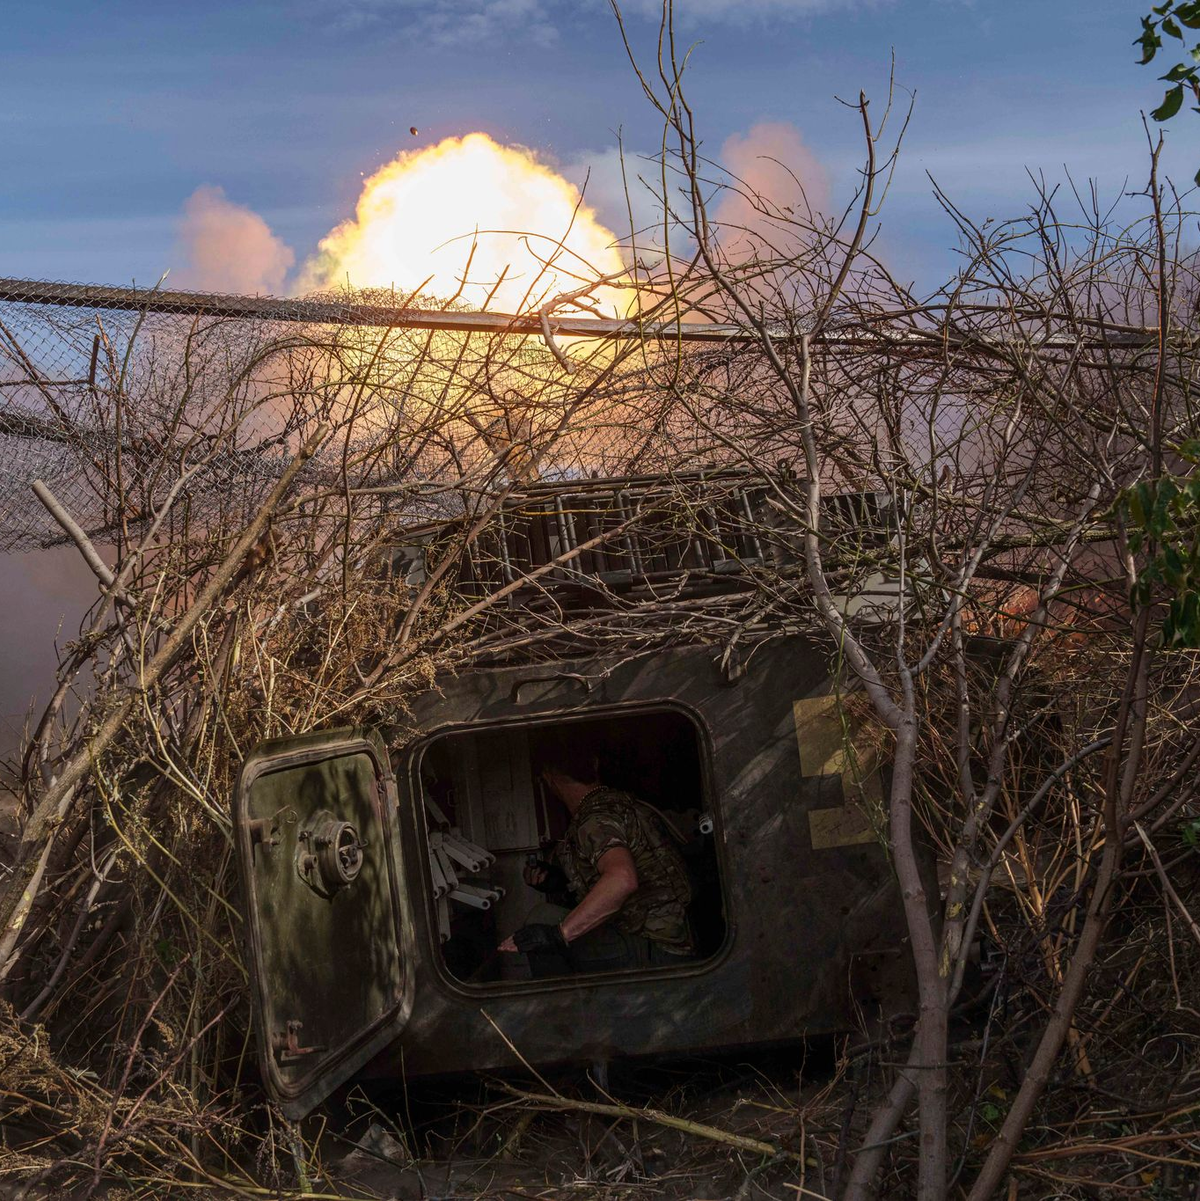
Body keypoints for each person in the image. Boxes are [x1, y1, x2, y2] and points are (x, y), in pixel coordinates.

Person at [498, 738, 695, 976]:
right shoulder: (622, 804)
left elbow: (622, 879)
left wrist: (559, 934)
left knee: (542, 917)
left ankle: (560, 1009)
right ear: (594, 764)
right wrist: (560, 882)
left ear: (548, 778)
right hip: (672, 940)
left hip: (649, 949)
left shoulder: (593, 819)